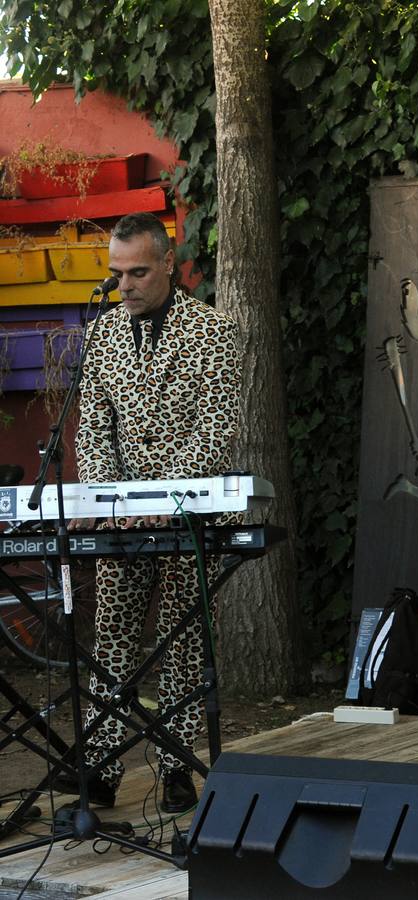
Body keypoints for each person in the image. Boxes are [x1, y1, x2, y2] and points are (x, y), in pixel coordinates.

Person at [54, 212, 243, 814]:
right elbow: (94, 431)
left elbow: (214, 430)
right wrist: (106, 498)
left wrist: (163, 500)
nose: (125, 284)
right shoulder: (103, 335)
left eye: (137, 271)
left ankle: (176, 766)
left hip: (189, 514)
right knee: (111, 636)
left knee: (183, 641)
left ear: (167, 263)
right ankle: (103, 767)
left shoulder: (213, 330)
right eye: (117, 273)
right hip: (122, 518)